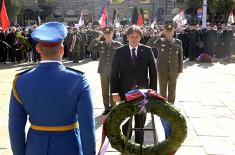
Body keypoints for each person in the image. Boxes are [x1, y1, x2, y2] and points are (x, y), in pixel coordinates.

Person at [8, 22, 96, 155]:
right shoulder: (78, 80)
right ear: (62, 50)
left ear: (37, 48)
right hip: (69, 147)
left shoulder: (20, 81)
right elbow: (87, 127)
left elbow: (15, 127)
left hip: (35, 149)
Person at [111, 25, 157, 144]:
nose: (134, 39)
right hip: (124, 93)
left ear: (141, 37)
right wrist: (114, 92)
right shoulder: (120, 51)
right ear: (127, 37)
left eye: (137, 36)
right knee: (126, 123)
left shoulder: (147, 50)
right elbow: (114, 74)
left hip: (143, 94)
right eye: (132, 36)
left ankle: (138, 146)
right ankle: (126, 146)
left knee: (140, 122)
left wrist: (152, 92)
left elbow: (153, 72)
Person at [89, 27, 123, 115]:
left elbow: (123, 55)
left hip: (114, 71)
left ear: (112, 34)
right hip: (103, 70)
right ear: (104, 35)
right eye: (106, 34)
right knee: (104, 90)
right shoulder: (100, 44)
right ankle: (106, 108)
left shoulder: (117, 44)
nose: (108, 36)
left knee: (114, 90)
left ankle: (113, 107)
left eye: (109, 34)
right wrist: (97, 38)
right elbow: (89, 48)